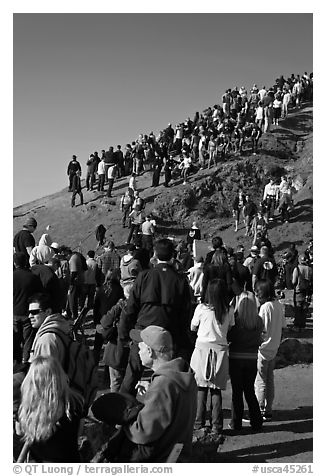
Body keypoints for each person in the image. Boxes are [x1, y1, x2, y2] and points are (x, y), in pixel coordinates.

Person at [93, 325, 197, 462]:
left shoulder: (163, 384)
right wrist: (152, 390)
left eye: (140, 347)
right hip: (178, 453)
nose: (137, 351)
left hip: (161, 458)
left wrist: (123, 420)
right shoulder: (181, 374)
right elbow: (175, 406)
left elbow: (143, 433)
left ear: (149, 351)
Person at [118, 239, 192, 395]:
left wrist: (124, 334)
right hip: (168, 333)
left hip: (143, 331)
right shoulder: (180, 280)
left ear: (154, 254)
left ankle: (123, 411)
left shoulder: (144, 276)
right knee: (169, 376)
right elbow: (186, 313)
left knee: (131, 376)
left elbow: (130, 308)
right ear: (174, 255)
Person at [190, 279, 235, 436]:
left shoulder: (201, 308)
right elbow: (230, 327)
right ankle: (217, 426)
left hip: (202, 349)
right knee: (216, 391)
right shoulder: (229, 309)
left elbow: (193, 326)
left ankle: (198, 423)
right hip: (220, 351)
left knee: (200, 388)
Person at [16, 356, 81, 463]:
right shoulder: (74, 402)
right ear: (59, 375)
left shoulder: (26, 406)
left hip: (38, 462)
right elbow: (78, 432)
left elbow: (19, 431)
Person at [227, 292, 264, 432]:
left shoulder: (236, 321)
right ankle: (257, 422)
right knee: (249, 391)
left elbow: (229, 337)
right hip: (251, 359)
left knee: (237, 392)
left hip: (236, 358)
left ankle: (236, 423)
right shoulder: (258, 321)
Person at [254, 279, 286, 422]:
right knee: (270, 379)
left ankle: (259, 409)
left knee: (260, 380)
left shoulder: (265, 308)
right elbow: (283, 327)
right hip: (274, 347)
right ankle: (268, 409)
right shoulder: (278, 305)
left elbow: (261, 328)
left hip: (263, 348)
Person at [13, 253, 42, 365]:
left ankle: (15, 363)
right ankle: (25, 363)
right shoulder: (33, 277)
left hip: (13, 313)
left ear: (15, 263)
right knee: (28, 341)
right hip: (28, 313)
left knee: (14, 341)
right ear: (26, 262)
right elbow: (40, 295)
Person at [292, 255, 313, 330]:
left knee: (298, 309)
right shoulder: (310, 269)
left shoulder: (297, 269)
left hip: (298, 291)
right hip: (307, 292)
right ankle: (303, 325)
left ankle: (297, 325)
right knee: (304, 309)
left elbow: (294, 281)